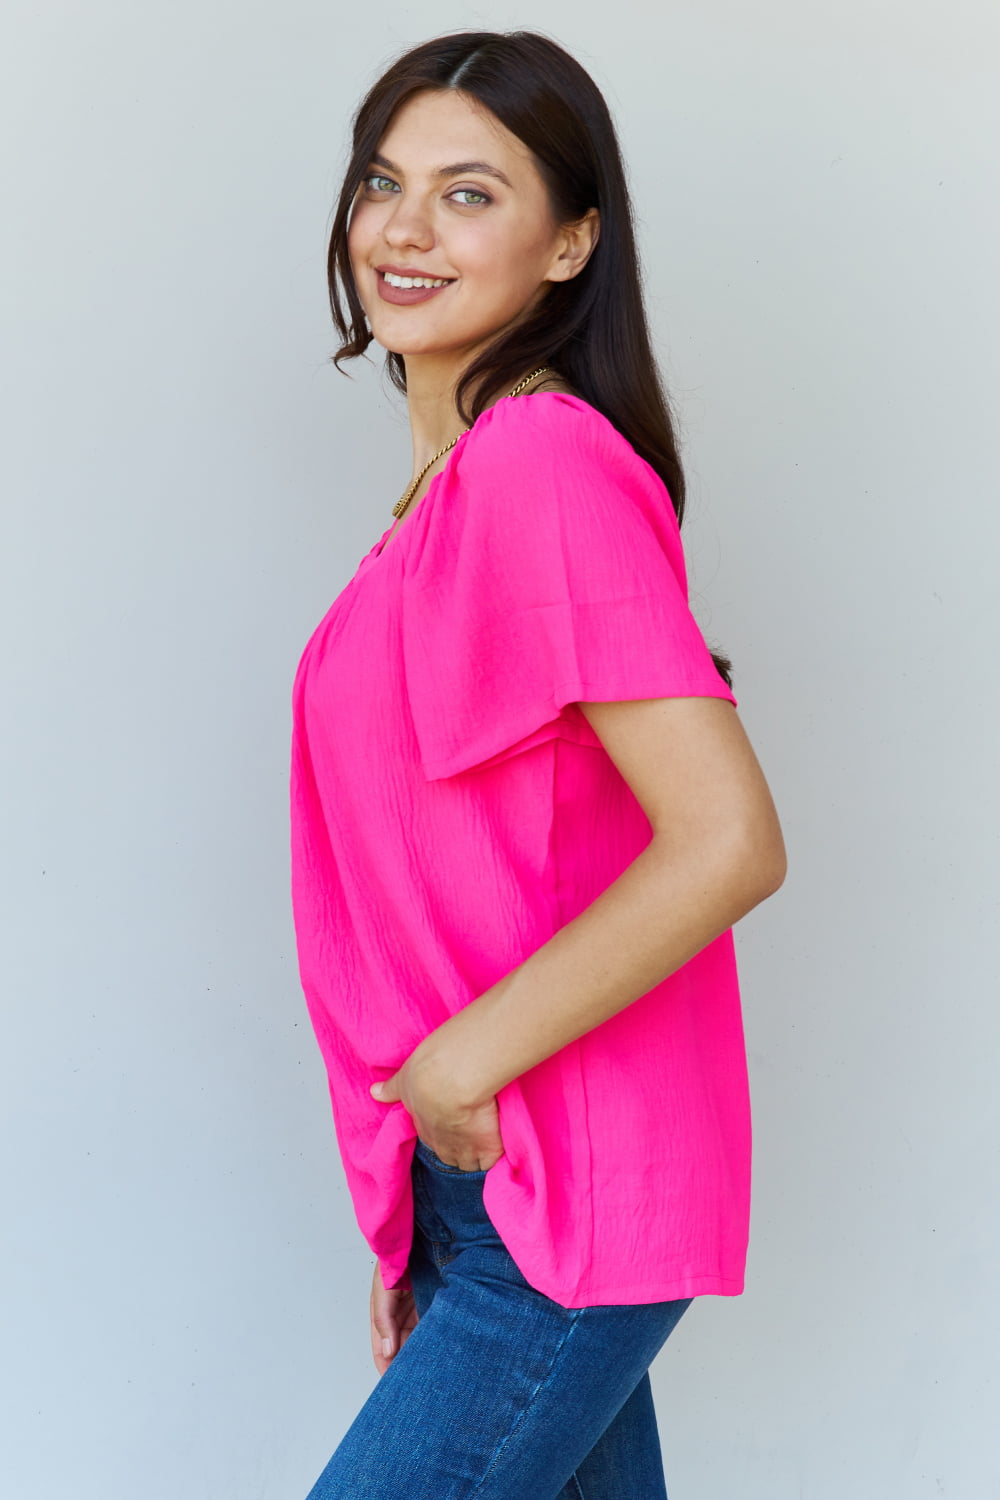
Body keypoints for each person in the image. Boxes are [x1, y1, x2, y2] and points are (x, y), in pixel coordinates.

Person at [288, 28, 787, 1500]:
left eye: (470, 193)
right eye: (385, 182)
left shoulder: (539, 465)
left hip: (552, 1179)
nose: (403, 227)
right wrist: (418, 1200)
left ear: (573, 243)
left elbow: (729, 837)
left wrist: (456, 1066)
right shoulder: (449, 493)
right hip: (488, 1187)